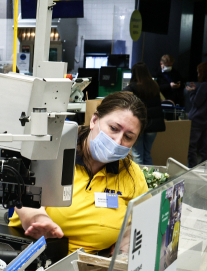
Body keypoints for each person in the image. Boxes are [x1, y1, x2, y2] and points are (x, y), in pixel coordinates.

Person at [9, 92, 149, 255]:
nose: (117, 141)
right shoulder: (54, 155)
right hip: (41, 258)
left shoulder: (131, 173)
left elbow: (145, 219)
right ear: (94, 120)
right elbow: (25, 202)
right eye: (113, 128)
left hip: (95, 267)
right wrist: (40, 221)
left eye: (128, 137)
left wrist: (125, 244)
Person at [123, 62, 166, 165]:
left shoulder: (132, 87)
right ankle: (148, 178)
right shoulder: (154, 85)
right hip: (153, 126)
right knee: (147, 153)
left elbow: (121, 96)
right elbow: (162, 100)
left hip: (139, 124)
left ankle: (139, 179)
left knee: (137, 154)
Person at [186, 62, 207, 167]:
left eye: (199, 73)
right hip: (205, 121)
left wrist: (192, 92)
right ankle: (204, 169)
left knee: (191, 147)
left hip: (197, 120)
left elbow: (196, 102)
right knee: (204, 148)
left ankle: (192, 168)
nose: (198, 75)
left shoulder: (204, 86)